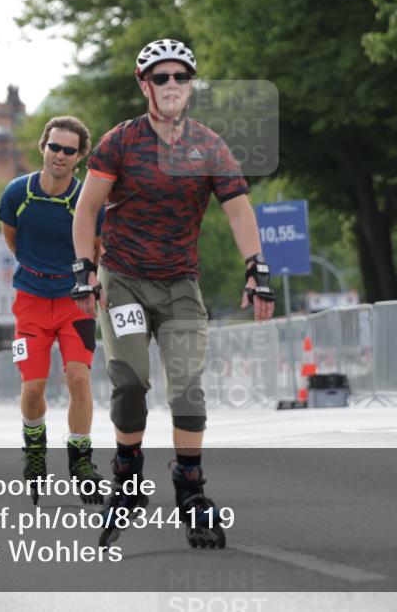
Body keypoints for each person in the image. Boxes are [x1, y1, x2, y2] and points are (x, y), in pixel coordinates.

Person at [71, 39, 276, 547]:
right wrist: (84, 271)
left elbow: (238, 210)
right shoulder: (121, 141)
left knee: (187, 389)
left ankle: (190, 487)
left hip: (180, 281)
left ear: (191, 84)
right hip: (123, 280)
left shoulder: (210, 146)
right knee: (131, 379)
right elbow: (87, 209)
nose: (171, 85)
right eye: (160, 77)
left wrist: (257, 270)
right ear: (144, 84)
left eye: (180, 77)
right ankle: (128, 476)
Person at [0, 116, 106, 504]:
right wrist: (39, 270)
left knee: (78, 378)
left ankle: (81, 460)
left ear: (79, 157)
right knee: (33, 387)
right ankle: (34, 447)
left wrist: (88, 284)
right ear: (43, 146)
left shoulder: (86, 199)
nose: (60, 155)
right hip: (29, 301)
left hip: (75, 300)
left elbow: (96, 250)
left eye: (69, 151)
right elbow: (13, 241)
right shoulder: (17, 193)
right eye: (54, 147)